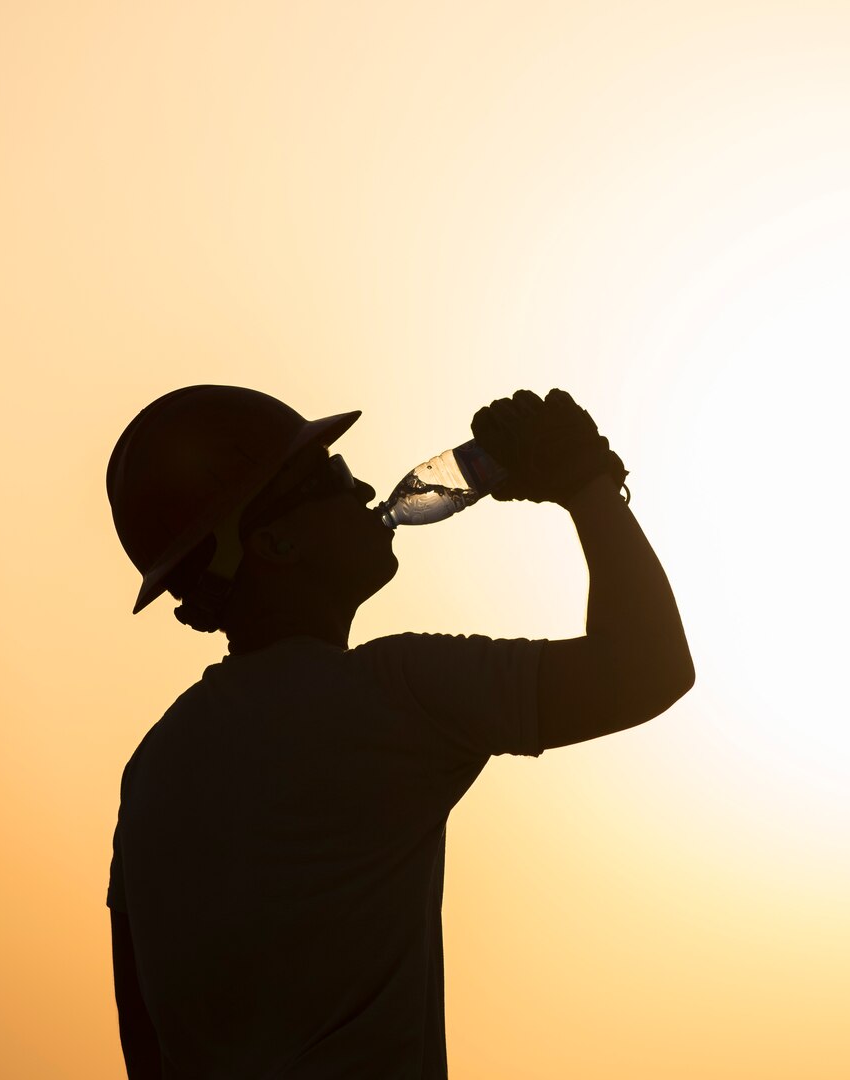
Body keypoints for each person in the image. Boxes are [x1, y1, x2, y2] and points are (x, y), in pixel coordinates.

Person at [104, 385, 693, 1078]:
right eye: (327, 477)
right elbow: (649, 668)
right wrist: (587, 485)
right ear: (273, 541)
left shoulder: (154, 766)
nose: (361, 487)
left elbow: (143, 1046)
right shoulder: (391, 695)